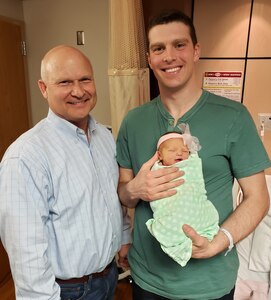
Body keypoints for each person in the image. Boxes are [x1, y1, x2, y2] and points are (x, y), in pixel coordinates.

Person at [116, 9, 271, 300]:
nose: (169, 56)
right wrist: (134, 189)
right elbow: (124, 193)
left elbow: (258, 197)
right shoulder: (133, 122)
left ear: (196, 50)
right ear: (149, 59)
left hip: (210, 283)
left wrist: (219, 241)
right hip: (148, 279)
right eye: (158, 48)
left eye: (179, 45)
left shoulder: (233, 118)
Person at [0, 45, 130, 300]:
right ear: (43, 88)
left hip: (108, 277)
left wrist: (123, 236)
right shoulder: (25, 156)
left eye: (85, 79)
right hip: (66, 291)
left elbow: (111, 198)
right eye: (64, 82)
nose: (78, 91)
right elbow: (26, 251)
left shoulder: (104, 136)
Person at [146, 126, 219, 267]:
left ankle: (204, 231)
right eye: (172, 150)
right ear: (159, 156)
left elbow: (196, 179)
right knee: (168, 224)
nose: (179, 152)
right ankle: (178, 245)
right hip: (172, 209)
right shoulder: (157, 169)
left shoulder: (191, 163)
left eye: (185, 150)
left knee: (209, 215)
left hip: (196, 205)